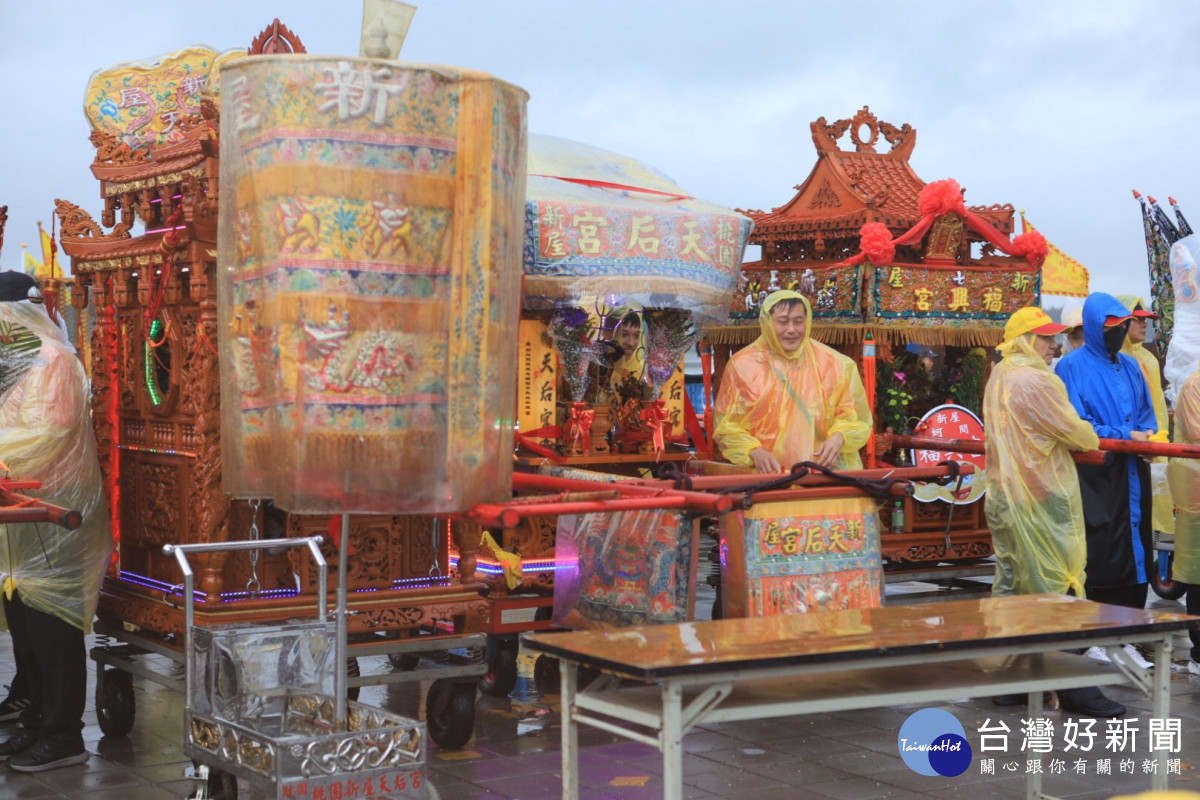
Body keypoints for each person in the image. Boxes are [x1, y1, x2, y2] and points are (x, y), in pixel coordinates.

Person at [0, 271, 112, 771]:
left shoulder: (56, 361)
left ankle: (64, 733)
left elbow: (48, 432)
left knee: (53, 624)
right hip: (21, 510)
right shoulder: (20, 362)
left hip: (56, 513)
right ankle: (37, 718)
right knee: (24, 615)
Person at [982, 308, 1119, 712]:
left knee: (1013, 583)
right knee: (1059, 581)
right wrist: (1093, 432)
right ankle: (1070, 684)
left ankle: (1013, 679)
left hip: (1006, 496)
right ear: (1024, 340)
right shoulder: (1037, 380)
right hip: (1043, 495)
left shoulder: (999, 375)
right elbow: (1078, 433)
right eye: (1043, 338)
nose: (1052, 345)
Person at [1054, 292, 1157, 666]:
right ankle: (1096, 633)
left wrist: (1146, 439)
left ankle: (1125, 635)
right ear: (1095, 328)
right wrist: (1126, 437)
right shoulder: (1071, 367)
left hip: (1133, 471)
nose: (1118, 332)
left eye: (1122, 325)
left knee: (1137, 549)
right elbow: (1076, 425)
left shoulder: (1131, 367)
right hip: (1096, 473)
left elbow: (1147, 416)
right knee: (1102, 548)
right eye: (1110, 326)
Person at [714, 290, 871, 473]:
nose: (791, 330)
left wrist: (838, 438)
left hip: (826, 477)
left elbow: (856, 418)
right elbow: (725, 426)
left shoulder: (836, 364)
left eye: (798, 322)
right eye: (782, 322)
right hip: (766, 480)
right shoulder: (742, 366)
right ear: (767, 323)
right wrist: (754, 451)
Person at [1115, 295, 1174, 546]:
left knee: (1159, 498)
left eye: (1145, 320)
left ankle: (1161, 550)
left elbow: (1157, 405)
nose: (1144, 325)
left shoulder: (1148, 358)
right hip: (1129, 443)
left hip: (1155, 441)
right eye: (1137, 320)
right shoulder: (1115, 358)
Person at [1166, 364, 1200, 675]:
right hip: (1197, 493)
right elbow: (1196, 430)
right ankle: (1199, 654)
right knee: (1199, 575)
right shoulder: (1194, 387)